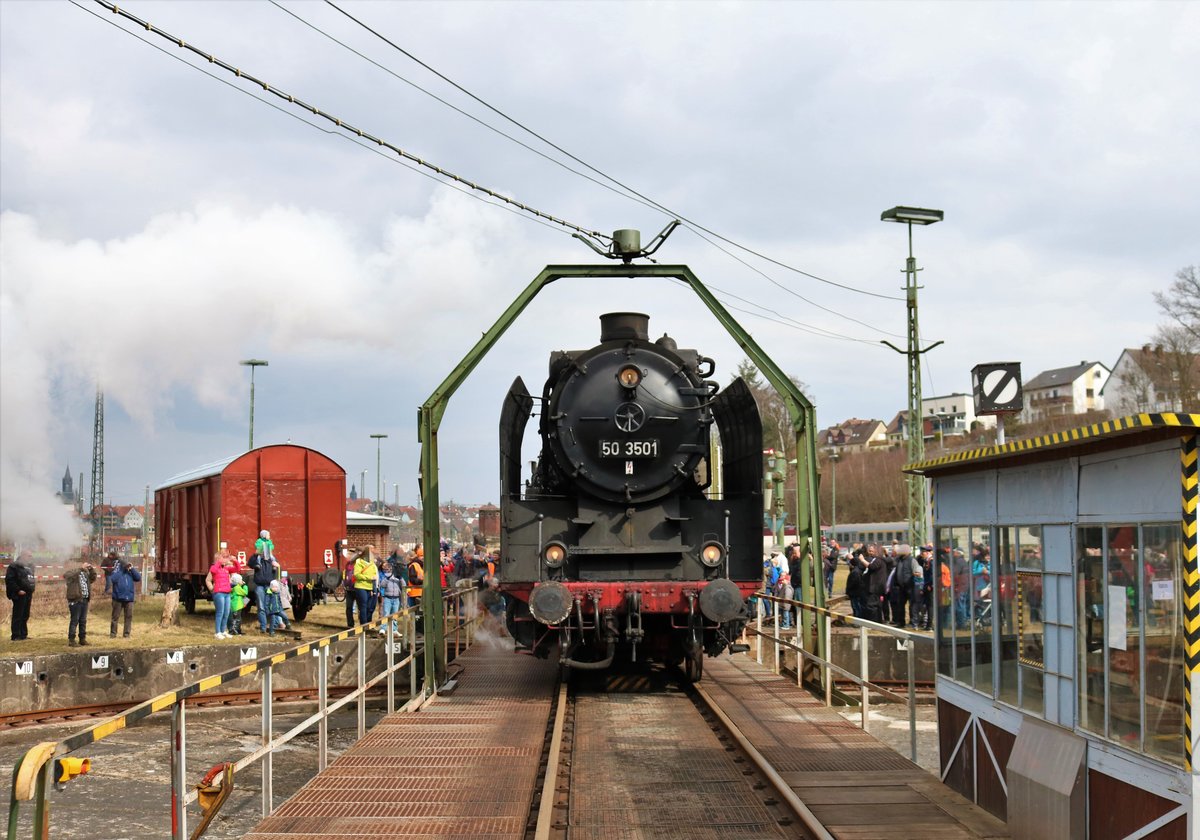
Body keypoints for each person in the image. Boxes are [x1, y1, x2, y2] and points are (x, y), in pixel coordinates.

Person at [64, 557, 98, 647]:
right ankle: (71, 640)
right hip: (75, 600)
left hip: (85, 600)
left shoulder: (85, 574)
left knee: (83, 620)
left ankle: (82, 639)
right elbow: (66, 575)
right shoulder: (72, 573)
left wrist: (91, 569)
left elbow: (93, 578)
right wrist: (80, 568)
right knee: (75, 620)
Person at [105, 556, 141, 638]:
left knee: (128, 617)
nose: (127, 566)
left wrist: (132, 569)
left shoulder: (130, 572)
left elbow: (138, 578)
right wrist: (122, 570)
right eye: (126, 564)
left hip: (129, 598)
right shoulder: (117, 571)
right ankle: (113, 634)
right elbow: (113, 579)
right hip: (118, 598)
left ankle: (126, 634)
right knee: (115, 617)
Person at [247, 550, 280, 633]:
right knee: (261, 607)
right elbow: (250, 564)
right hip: (259, 586)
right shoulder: (257, 561)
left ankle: (274, 625)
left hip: (269, 586)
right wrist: (255, 554)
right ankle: (263, 627)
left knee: (270, 606)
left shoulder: (272, 560)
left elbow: (278, 567)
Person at [6, 550, 36, 641]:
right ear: (23, 555)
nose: (30, 558)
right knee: (18, 615)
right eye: (29, 556)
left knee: (25, 615)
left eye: (31, 556)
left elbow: (31, 578)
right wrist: (18, 590)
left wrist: (32, 589)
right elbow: (10, 580)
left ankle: (23, 635)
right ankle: (15, 635)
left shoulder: (30, 566)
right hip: (19, 594)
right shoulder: (13, 566)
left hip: (28, 594)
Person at [207, 551, 233, 639]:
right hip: (219, 593)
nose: (225, 559)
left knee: (226, 612)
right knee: (220, 612)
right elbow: (208, 580)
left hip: (227, 592)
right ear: (218, 559)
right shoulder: (214, 568)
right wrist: (211, 589)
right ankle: (217, 632)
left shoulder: (226, 569)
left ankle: (223, 631)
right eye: (223, 558)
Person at [352, 546, 378, 627]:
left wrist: (374, 588)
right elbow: (356, 574)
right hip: (361, 587)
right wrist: (368, 578)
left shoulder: (372, 563)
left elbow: (374, 574)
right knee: (363, 605)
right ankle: (364, 624)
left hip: (370, 587)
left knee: (370, 606)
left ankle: (368, 622)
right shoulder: (358, 562)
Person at [376, 561, 405, 635]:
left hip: (396, 599)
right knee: (386, 613)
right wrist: (387, 578)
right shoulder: (387, 578)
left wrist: (400, 578)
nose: (389, 571)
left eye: (390, 569)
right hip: (387, 598)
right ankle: (383, 628)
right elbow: (382, 585)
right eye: (387, 570)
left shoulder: (398, 578)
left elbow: (404, 585)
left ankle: (394, 629)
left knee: (395, 615)